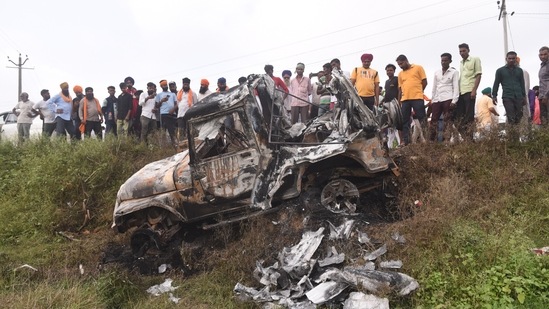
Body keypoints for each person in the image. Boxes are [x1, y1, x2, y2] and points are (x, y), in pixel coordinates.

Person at [396, 54, 427, 145]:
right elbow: (400, 89)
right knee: (405, 121)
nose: (400, 66)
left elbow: (424, 82)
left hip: (417, 98)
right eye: (399, 65)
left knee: (422, 118)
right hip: (405, 99)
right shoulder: (400, 74)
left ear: (406, 61)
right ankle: (407, 141)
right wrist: (399, 101)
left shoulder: (418, 68)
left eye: (401, 64)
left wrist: (418, 92)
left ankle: (427, 139)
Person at [429, 53, 459, 142]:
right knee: (434, 119)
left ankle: (446, 140)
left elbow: (456, 87)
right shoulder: (437, 73)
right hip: (437, 99)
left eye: (446, 60)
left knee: (447, 119)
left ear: (450, 61)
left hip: (448, 98)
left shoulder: (454, 72)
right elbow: (434, 87)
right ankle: (431, 140)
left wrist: (454, 101)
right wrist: (433, 99)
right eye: (442, 60)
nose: (443, 62)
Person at [492, 51, 527, 125]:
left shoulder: (519, 71)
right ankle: (512, 135)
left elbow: (522, 84)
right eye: (509, 58)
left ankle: (515, 134)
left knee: (519, 115)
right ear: (506, 59)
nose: (511, 60)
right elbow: (496, 83)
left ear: (516, 59)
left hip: (518, 96)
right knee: (511, 116)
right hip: (507, 97)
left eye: (513, 58)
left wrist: (524, 96)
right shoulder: (500, 71)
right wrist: (494, 95)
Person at [456, 43, 482, 140]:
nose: (462, 53)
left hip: (469, 90)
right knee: (458, 117)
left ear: (468, 50)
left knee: (469, 116)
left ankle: (470, 138)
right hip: (461, 92)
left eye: (464, 51)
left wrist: (474, 90)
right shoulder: (461, 63)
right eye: (460, 51)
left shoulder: (475, 59)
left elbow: (478, 75)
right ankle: (466, 138)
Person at [155, 79, 178, 145]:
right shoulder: (159, 95)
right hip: (164, 114)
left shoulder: (172, 94)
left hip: (172, 114)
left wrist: (173, 109)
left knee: (173, 131)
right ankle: (164, 146)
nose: (165, 86)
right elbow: (157, 106)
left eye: (166, 85)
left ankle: (175, 144)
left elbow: (176, 104)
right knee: (164, 131)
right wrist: (161, 101)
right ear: (161, 86)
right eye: (163, 85)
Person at [538, 46, 549, 125]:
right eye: (541, 55)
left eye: (545, 54)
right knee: (544, 119)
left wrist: (546, 95)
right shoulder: (542, 65)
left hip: (547, 96)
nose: (543, 56)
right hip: (542, 96)